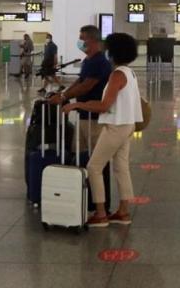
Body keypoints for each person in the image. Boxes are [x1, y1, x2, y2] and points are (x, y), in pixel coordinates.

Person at [61, 33, 142, 227]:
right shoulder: (129, 72)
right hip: (128, 124)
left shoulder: (117, 75)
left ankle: (100, 214)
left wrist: (78, 105)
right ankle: (123, 212)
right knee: (121, 167)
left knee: (94, 167)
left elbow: (105, 105)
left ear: (114, 52)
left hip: (116, 126)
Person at [48, 25, 113, 151]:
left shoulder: (99, 61)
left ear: (93, 40)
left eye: (82, 38)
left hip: (95, 118)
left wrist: (64, 97)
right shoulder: (88, 60)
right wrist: (64, 93)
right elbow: (80, 80)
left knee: (95, 154)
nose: (80, 42)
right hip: (83, 114)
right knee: (78, 152)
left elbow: (86, 86)